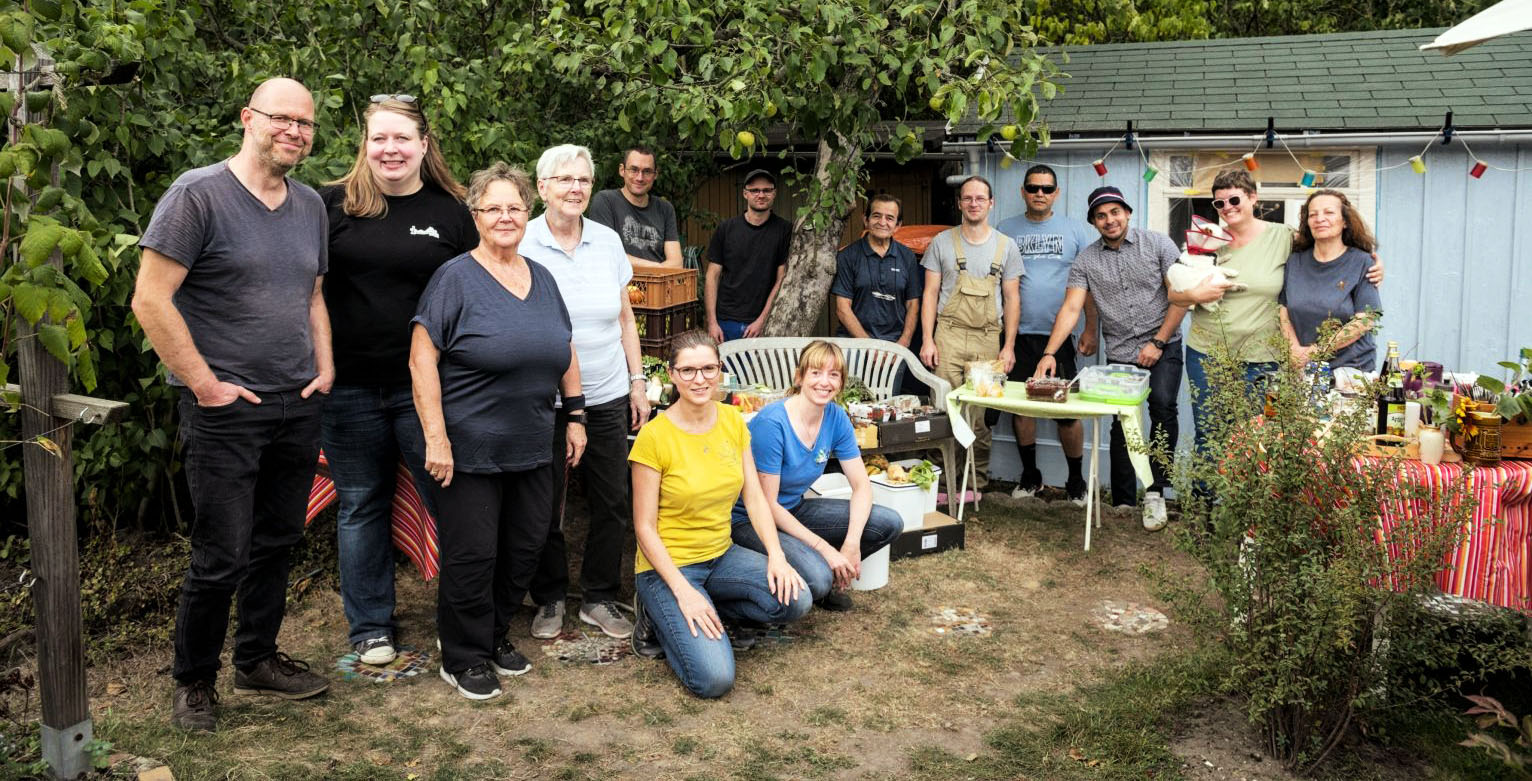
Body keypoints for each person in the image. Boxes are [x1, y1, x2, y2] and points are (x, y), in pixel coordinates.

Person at [132, 77, 333, 732]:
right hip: (224, 409)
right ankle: (194, 679)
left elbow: (311, 296)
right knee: (221, 551)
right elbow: (150, 299)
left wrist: (325, 364)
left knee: (277, 539)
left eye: (306, 123)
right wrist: (204, 383)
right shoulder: (198, 196)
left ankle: (257, 657)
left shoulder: (309, 206)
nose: (296, 132)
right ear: (248, 118)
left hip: (296, 400)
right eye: (284, 119)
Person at [409, 162, 586, 700]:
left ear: (527, 213)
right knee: (473, 553)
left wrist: (575, 414)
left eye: (514, 207)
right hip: (469, 445)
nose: (505, 216)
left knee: (525, 545)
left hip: (535, 440)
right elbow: (421, 360)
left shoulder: (543, 276)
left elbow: (564, 347)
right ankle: (462, 654)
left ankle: (493, 632)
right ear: (477, 216)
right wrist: (436, 438)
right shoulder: (455, 278)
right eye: (493, 208)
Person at [319, 94, 477, 667]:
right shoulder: (330, 205)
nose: (390, 148)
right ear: (364, 144)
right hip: (349, 387)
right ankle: (370, 628)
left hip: (429, 391)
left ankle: (459, 617)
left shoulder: (454, 212)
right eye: (378, 138)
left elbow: (475, 296)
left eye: (402, 138)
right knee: (362, 504)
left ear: (424, 145)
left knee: (451, 499)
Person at [628, 331, 810, 698]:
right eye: (689, 370)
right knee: (714, 680)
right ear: (672, 375)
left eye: (708, 369)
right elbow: (643, 527)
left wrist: (776, 556)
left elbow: (755, 497)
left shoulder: (732, 420)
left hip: (722, 555)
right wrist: (683, 591)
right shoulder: (654, 437)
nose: (700, 379)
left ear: (720, 371)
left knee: (796, 598)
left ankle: (713, 605)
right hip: (669, 567)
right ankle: (654, 613)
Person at [521, 144, 649, 641]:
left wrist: (637, 382)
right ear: (543, 188)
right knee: (544, 503)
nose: (575, 188)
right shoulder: (523, 241)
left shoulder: (607, 240)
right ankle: (549, 595)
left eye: (583, 180)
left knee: (612, 499)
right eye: (564, 179)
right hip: (543, 400)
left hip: (608, 392)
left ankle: (598, 596)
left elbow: (624, 317)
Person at [1172, 170, 1384, 448]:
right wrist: (1192, 293)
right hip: (1209, 354)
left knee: (1261, 437)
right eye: (1219, 203)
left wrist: (1374, 265)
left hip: (1265, 359)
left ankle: (1249, 494)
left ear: (1253, 198)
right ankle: (1203, 494)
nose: (1227, 208)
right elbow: (1175, 281)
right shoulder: (1207, 241)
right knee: (1209, 435)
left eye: (1234, 199)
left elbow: (1331, 251)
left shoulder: (1284, 239)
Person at [1033, 186, 1186, 531]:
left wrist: (1158, 342)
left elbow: (1181, 296)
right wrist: (1049, 353)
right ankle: (1122, 500)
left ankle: (1157, 493)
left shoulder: (1159, 244)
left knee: (1162, 407)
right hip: (1121, 351)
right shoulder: (1087, 260)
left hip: (1163, 343)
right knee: (1123, 423)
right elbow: (1072, 307)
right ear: (1094, 223)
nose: (1109, 220)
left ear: (1127, 213)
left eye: (1115, 212)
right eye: (1101, 216)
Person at [731, 341, 904, 611]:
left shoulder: (836, 417)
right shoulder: (772, 423)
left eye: (833, 374)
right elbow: (767, 504)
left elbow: (861, 486)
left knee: (888, 522)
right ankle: (811, 577)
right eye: (815, 373)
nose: (825, 382)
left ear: (841, 382)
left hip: (794, 509)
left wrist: (850, 544)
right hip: (751, 520)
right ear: (799, 377)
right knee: (818, 579)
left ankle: (829, 573)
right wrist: (824, 548)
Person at [994, 166, 1100, 503]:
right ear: (1023, 192)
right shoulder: (1005, 230)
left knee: (1065, 412)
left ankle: (1075, 481)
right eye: (1033, 188)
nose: (1040, 193)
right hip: (1017, 336)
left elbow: (1089, 286)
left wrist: (1091, 328)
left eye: (1047, 188)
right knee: (1021, 409)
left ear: (1056, 192)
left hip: (1060, 339)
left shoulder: (1075, 231)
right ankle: (1030, 477)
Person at [919, 175, 1023, 496]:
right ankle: (939, 483)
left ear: (991, 203)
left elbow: (1013, 298)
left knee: (979, 414)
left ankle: (975, 483)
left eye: (980, 198)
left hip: (988, 339)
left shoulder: (1006, 246)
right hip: (947, 335)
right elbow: (930, 293)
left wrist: (1009, 347)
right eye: (968, 198)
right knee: (943, 410)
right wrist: (927, 339)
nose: (974, 203)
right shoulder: (942, 242)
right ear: (959, 203)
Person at [1279, 189, 1382, 371]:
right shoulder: (1295, 261)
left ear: (1345, 221)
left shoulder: (1362, 262)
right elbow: (1283, 310)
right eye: (1313, 214)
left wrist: (1314, 352)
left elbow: (1365, 320)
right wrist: (1294, 350)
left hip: (1350, 371)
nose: (1319, 219)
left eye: (1329, 212)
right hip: (1301, 369)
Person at [705, 169, 792, 342]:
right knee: (725, 369)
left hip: (763, 322)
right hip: (725, 321)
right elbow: (712, 276)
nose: (761, 195)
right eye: (755, 190)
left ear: (774, 194)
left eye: (767, 190)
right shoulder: (727, 229)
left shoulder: (784, 230)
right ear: (745, 193)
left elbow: (781, 279)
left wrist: (762, 320)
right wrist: (712, 322)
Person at [830, 193, 922, 349]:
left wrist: (903, 343)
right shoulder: (848, 256)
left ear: (898, 225)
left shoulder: (907, 257)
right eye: (876, 216)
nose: (882, 222)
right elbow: (842, 308)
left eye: (890, 218)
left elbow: (913, 304)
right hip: (854, 344)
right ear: (866, 219)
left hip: (895, 346)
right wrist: (869, 346)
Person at [587, 145, 684, 268]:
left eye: (647, 171)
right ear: (622, 170)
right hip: (618, 284)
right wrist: (659, 269)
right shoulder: (605, 201)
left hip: (658, 285)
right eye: (634, 170)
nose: (640, 177)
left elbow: (676, 263)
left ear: (655, 175)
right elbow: (607, 255)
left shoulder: (665, 208)